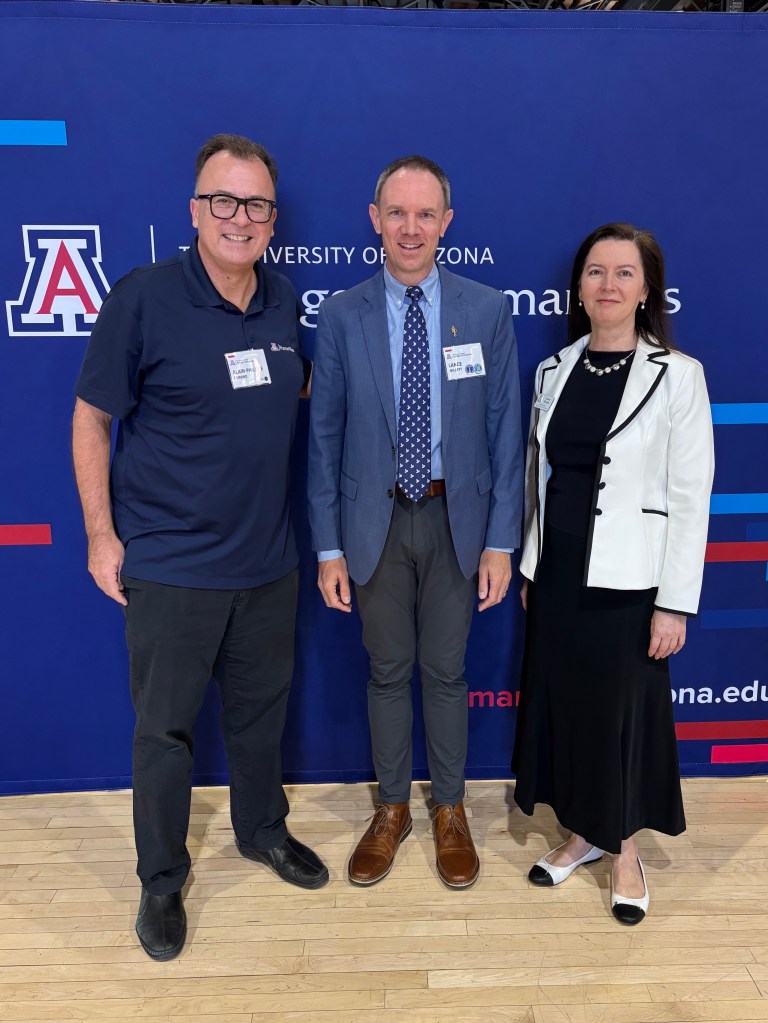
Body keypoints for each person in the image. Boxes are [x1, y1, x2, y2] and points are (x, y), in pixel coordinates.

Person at [72, 134, 328, 962]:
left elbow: (303, 389)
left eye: (254, 204)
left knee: (259, 721)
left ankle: (261, 830)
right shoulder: (144, 297)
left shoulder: (285, 299)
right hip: (173, 568)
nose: (239, 218)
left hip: (268, 565)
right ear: (194, 210)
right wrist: (101, 533)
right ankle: (161, 879)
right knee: (165, 733)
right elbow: (91, 417)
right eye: (223, 200)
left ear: (272, 219)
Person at [308, 155, 524, 890]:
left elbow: (505, 435)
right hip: (374, 524)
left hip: (455, 522)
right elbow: (323, 438)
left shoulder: (487, 310)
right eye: (396, 213)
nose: (410, 227)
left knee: (448, 671)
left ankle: (452, 810)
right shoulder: (340, 316)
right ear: (375, 219)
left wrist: (501, 539)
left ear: (446, 224)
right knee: (387, 670)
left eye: (424, 214)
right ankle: (393, 808)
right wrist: (329, 546)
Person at [512, 223, 714, 925]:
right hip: (559, 573)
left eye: (623, 272)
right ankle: (581, 835)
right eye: (596, 271)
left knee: (621, 720)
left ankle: (623, 850)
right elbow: (541, 480)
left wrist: (675, 602)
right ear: (579, 286)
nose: (608, 284)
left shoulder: (677, 375)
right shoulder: (552, 370)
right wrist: (532, 563)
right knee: (566, 709)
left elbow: (691, 495)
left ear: (647, 288)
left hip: (633, 584)